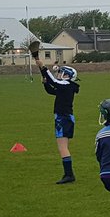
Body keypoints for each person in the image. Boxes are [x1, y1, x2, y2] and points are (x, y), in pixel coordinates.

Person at [35, 50, 81, 183]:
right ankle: (69, 174)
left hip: (63, 118)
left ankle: (69, 175)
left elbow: (54, 81)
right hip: (65, 117)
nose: (59, 74)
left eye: (61, 73)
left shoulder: (66, 85)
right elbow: (52, 90)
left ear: (67, 76)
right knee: (63, 146)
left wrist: (43, 67)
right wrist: (45, 83)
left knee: (62, 147)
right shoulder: (66, 87)